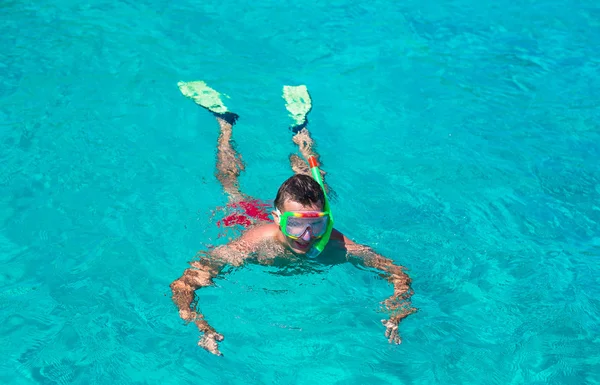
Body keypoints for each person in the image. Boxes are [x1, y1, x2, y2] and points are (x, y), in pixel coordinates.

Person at [170, 81, 416, 356]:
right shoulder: (255, 243)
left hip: (300, 208)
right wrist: (200, 324)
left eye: (316, 224)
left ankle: (301, 133)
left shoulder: (338, 245)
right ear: (278, 219)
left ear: (327, 220)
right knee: (230, 187)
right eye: (296, 225)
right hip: (249, 216)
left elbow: (398, 274)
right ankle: (225, 125)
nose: (307, 237)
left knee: (318, 181)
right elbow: (184, 283)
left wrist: (397, 310)